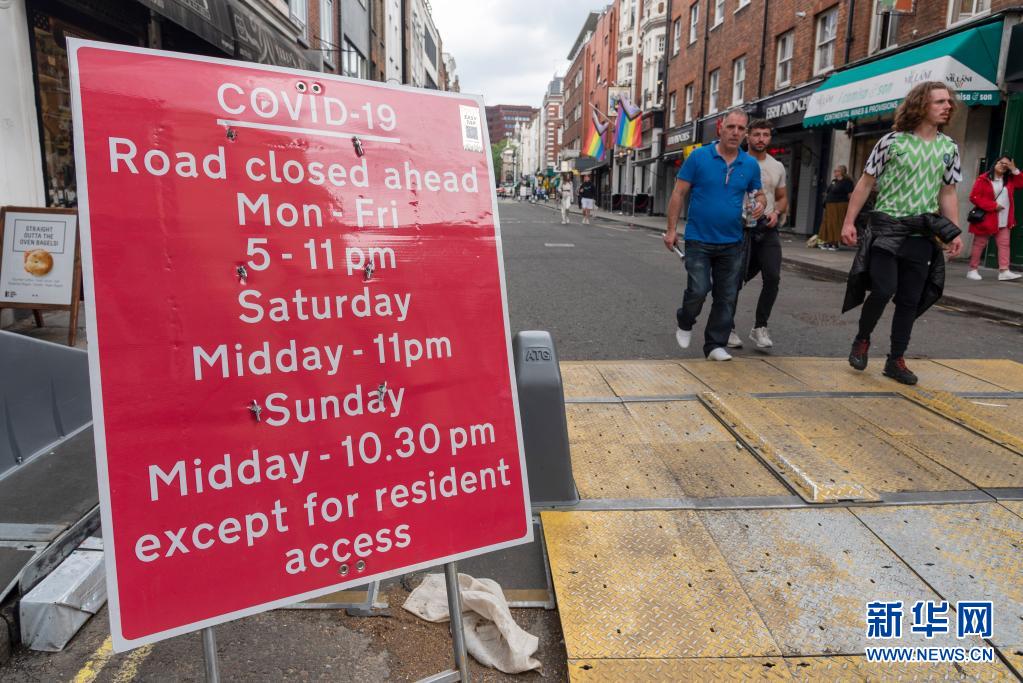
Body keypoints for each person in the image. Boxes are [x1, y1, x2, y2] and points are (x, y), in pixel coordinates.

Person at [842, 81, 964, 385]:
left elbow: (948, 192)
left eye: (948, 101)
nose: (947, 106)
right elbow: (866, 183)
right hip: (887, 229)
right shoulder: (891, 142)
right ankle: (862, 339)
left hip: (921, 234)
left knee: (910, 300)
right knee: (883, 290)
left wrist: (953, 231)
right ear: (921, 105)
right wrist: (848, 222)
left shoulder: (949, 148)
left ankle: (895, 360)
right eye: (939, 101)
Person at [664, 108, 765, 360]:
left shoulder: (750, 164)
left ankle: (714, 345)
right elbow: (678, 193)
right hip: (699, 238)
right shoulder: (699, 157)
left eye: (741, 129)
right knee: (699, 289)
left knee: (727, 296)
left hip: (733, 241)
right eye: (731, 127)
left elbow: (758, 194)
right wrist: (671, 230)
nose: (735, 133)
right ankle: (685, 320)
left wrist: (761, 204)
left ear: (745, 133)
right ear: (721, 128)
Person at [731, 118, 788, 350]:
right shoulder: (736, 161)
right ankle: (728, 327)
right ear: (748, 136)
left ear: (770, 138)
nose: (761, 139)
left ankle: (760, 327)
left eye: (765, 135)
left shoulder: (777, 166)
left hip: (767, 227)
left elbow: (782, 198)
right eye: (756, 134)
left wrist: (776, 212)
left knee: (772, 277)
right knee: (735, 279)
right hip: (740, 227)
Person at [967, 155, 1023, 281]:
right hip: (987, 218)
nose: (1003, 166)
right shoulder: (983, 179)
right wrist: (993, 206)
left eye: (1006, 164)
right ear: (995, 163)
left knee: (1004, 245)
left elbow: (1021, 183)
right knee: (979, 244)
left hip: (1004, 219)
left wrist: (1014, 170)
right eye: (1001, 163)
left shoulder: (1009, 180)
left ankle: (1004, 271)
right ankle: (972, 270)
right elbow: (974, 197)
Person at [818, 166, 854, 250]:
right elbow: (828, 191)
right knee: (828, 222)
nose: (835, 172)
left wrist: (851, 206)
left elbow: (850, 194)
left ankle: (835, 242)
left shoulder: (847, 182)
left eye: (837, 171)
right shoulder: (834, 181)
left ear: (842, 172)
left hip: (839, 204)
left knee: (836, 222)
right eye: (834, 171)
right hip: (830, 204)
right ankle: (828, 241)